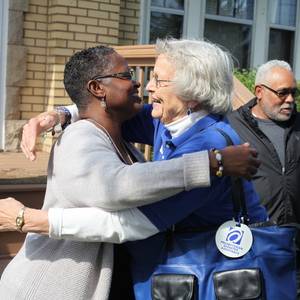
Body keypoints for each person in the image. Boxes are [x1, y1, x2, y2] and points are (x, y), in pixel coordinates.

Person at [0, 40, 267, 299]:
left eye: (159, 80)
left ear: (192, 94)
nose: (148, 86)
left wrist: (31, 220)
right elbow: (101, 109)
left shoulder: (209, 145)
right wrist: (59, 115)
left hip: (213, 275)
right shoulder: (167, 120)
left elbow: (128, 223)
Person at [227, 59, 300, 297]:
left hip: (295, 243)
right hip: (255, 241)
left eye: (293, 92)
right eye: (282, 93)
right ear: (259, 92)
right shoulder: (232, 126)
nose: (289, 99)